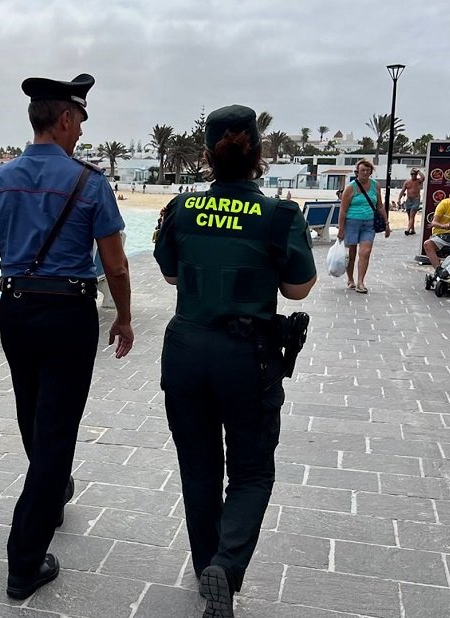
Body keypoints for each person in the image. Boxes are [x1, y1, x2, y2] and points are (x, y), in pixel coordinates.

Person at [0, 73, 133, 600]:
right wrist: (124, 318)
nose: (81, 132)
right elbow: (117, 266)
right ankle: (24, 560)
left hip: (16, 310)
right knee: (56, 432)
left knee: (31, 410)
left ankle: (51, 488)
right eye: (80, 121)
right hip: (69, 314)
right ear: (64, 118)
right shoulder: (90, 183)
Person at [153, 105, 316, 618]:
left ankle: (208, 571)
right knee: (250, 473)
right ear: (258, 157)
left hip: (186, 351)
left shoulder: (180, 209)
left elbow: (172, 276)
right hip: (247, 357)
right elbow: (298, 289)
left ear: (206, 156)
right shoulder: (280, 215)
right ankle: (227, 564)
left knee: (198, 470)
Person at [336, 159, 390, 293]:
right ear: (357, 172)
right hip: (352, 222)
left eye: (368, 170)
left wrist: (387, 223)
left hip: (369, 223)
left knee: (365, 252)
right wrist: (341, 229)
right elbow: (343, 210)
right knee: (352, 253)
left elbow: (380, 205)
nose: (365, 173)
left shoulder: (375, 186)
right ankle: (350, 279)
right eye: (362, 170)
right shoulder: (351, 187)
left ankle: (361, 282)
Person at [398, 168, 423, 235]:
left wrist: (418, 171)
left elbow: (423, 177)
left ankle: (408, 230)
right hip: (409, 200)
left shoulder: (418, 181)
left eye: (414, 174)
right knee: (410, 216)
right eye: (412, 174)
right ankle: (413, 230)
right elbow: (402, 191)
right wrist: (399, 199)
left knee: (412, 215)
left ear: (416, 175)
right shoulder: (407, 182)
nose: (413, 175)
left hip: (416, 199)